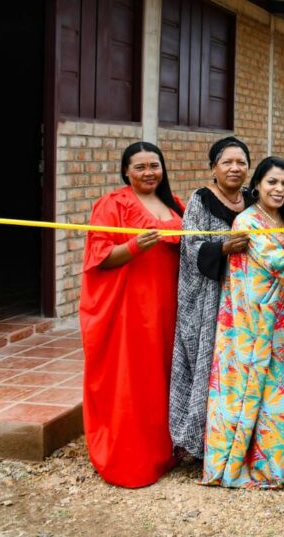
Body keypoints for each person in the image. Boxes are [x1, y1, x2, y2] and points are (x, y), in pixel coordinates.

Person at [202, 157, 284, 488]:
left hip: (283, 320)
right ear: (257, 187)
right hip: (252, 325)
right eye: (272, 183)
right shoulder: (246, 221)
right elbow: (273, 260)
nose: (279, 189)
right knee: (257, 391)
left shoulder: (281, 221)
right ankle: (251, 464)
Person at [81, 141, 184, 488]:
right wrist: (132, 247)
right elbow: (99, 257)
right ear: (126, 171)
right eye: (139, 167)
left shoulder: (175, 205)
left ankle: (166, 449)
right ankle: (132, 458)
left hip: (168, 309)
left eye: (154, 165)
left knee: (164, 376)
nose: (148, 172)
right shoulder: (113, 205)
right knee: (135, 380)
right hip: (131, 310)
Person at [169, 136, 254, 461]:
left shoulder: (251, 199)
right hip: (208, 303)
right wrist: (222, 248)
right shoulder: (200, 200)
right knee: (207, 368)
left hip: (245, 301)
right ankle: (199, 443)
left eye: (241, 162)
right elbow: (190, 247)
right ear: (213, 168)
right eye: (227, 162)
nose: (235, 168)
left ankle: (238, 438)